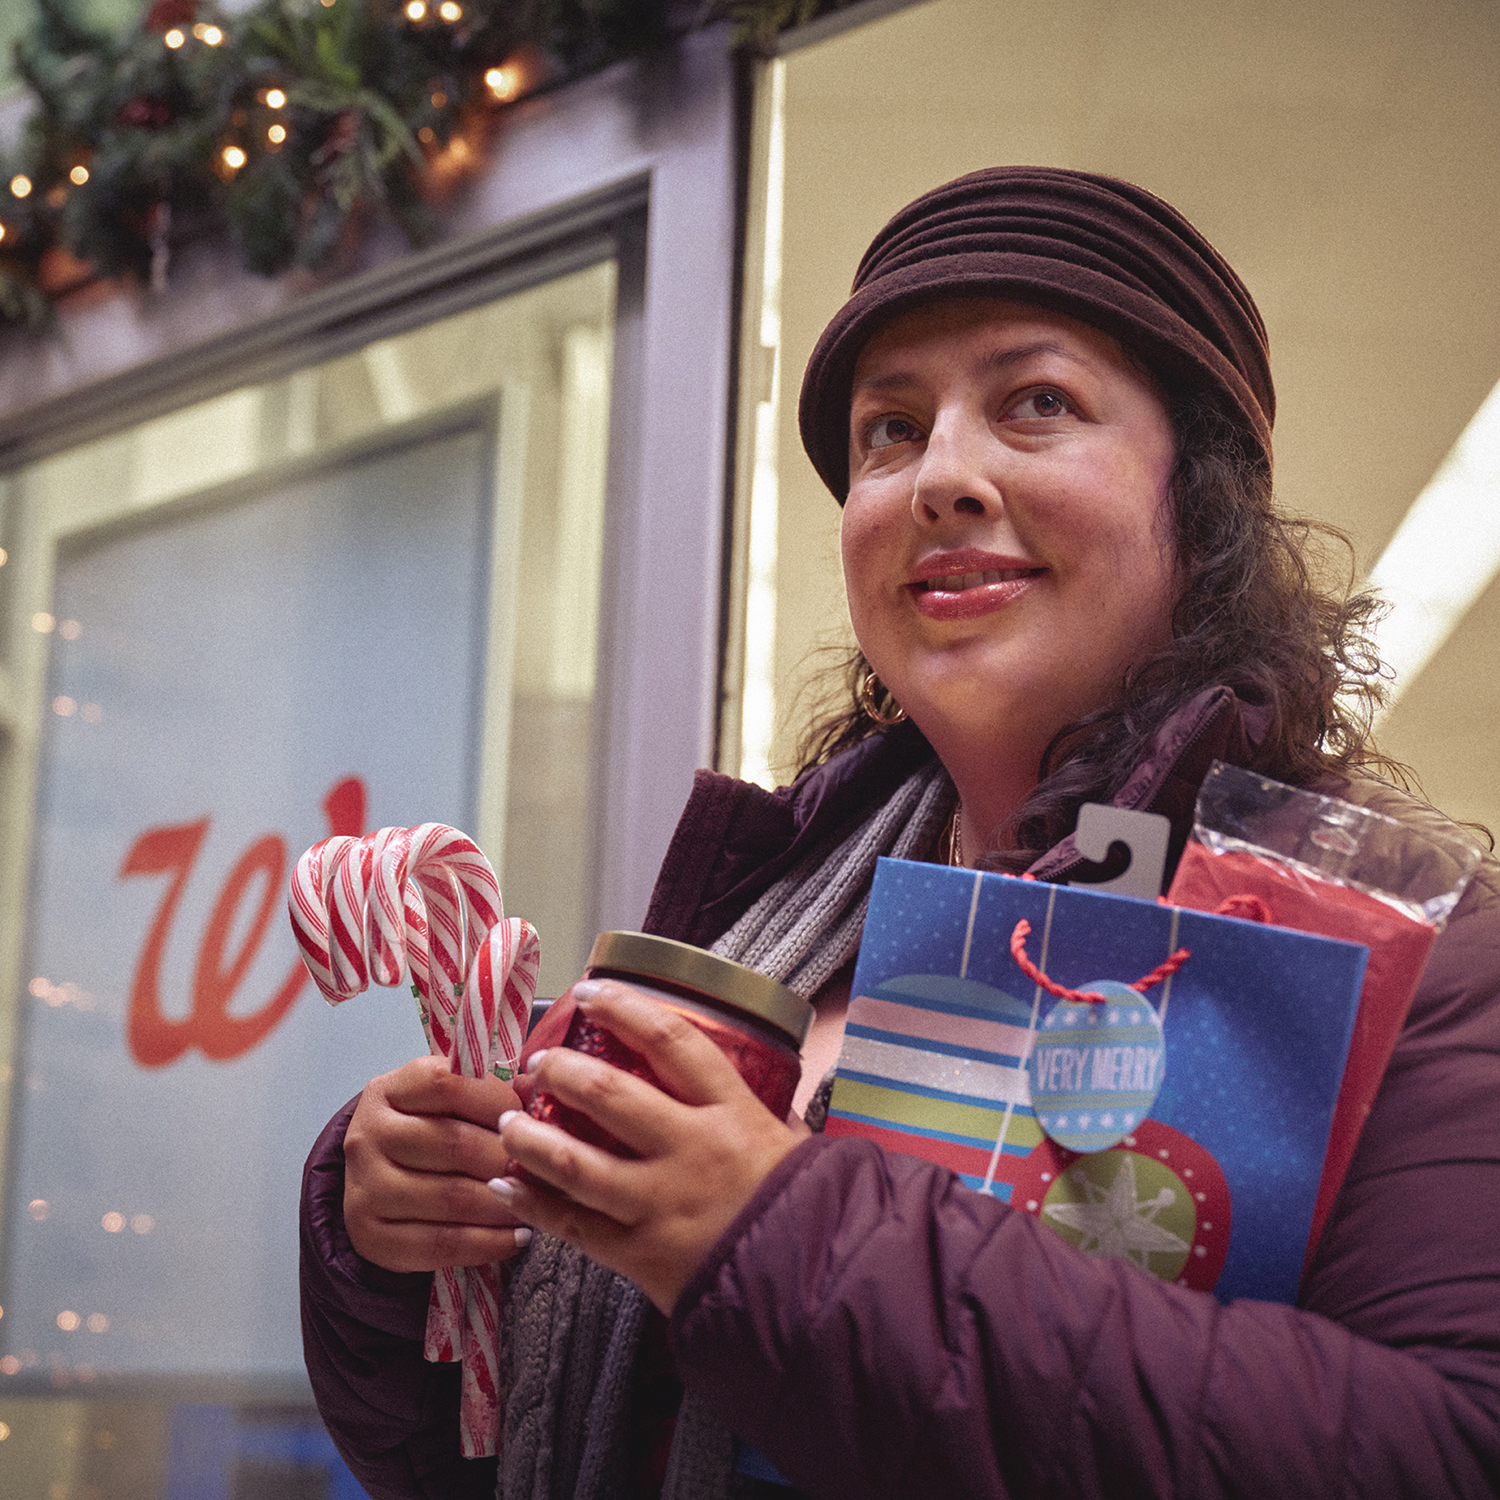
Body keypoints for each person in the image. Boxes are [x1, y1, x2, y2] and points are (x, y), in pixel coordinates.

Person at [301, 168, 1500, 1499]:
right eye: (890, 429)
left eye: (1036, 403)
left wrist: (773, 1236)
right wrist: (393, 1242)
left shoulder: (1409, 967)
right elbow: (497, 1450)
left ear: (1204, 502)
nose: (943, 475)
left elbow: (1440, 1447)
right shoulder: (764, 940)